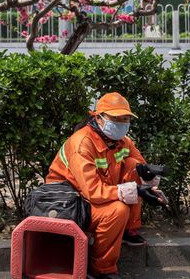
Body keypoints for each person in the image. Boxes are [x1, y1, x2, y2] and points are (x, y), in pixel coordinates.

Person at [45, 92, 167, 279]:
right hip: (69, 202)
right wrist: (136, 190)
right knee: (117, 211)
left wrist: (149, 180)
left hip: (92, 194)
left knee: (134, 165)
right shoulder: (82, 143)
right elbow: (92, 191)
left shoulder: (122, 141)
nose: (121, 122)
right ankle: (103, 270)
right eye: (116, 118)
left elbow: (138, 166)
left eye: (125, 118)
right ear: (98, 117)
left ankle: (128, 229)